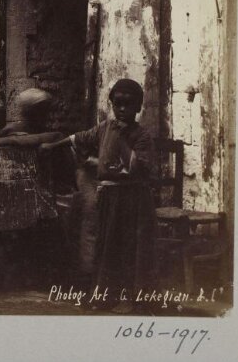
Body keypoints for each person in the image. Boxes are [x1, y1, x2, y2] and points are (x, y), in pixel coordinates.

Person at [41, 78, 156, 308]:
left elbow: (135, 167)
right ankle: (104, 297)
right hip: (110, 199)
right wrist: (52, 146)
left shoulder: (141, 136)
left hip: (133, 200)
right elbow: (80, 137)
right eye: (117, 104)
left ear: (138, 107)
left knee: (128, 248)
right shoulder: (104, 128)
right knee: (106, 248)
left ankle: (132, 300)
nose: (122, 109)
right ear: (112, 104)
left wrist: (121, 137)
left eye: (128, 104)